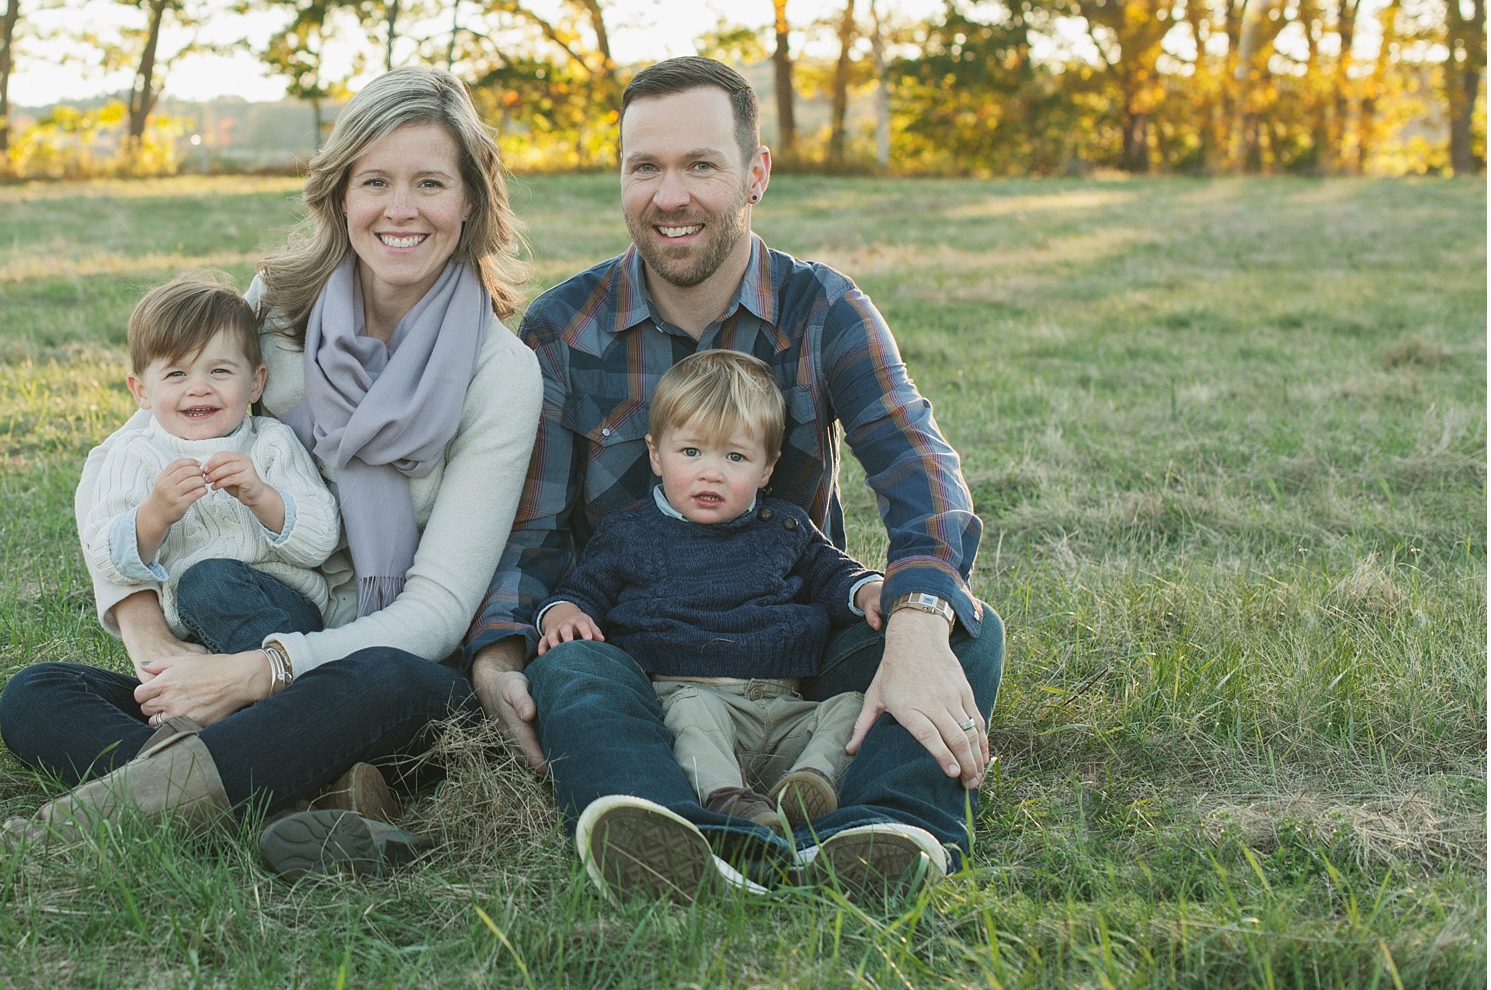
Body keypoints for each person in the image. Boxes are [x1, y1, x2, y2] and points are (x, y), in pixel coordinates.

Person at [0, 67, 542, 892]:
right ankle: (303, 805)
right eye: (376, 181)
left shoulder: (499, 374)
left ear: (471, 200)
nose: (399, 210)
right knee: (37, 694)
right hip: (228, 631)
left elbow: (435, 613)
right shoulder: (280, 308)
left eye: (430, 183)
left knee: (388, 678)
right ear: (340, 194)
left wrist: (261, 672)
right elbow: (134, 450)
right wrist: (152, 640)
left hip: (387, 677)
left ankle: (29, 849)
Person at [468, 56, 1003, 904]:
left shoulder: (821, 309)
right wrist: (498, 655)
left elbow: (918, 465)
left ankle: (879, 833)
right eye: (645, 167)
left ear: (756, 175)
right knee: (567, 669)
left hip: (794, 651)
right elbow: (529, 530)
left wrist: (915, 620)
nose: (668, 195)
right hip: (633, 659)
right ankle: (667, 836)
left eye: (699, 166)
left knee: (963, 627)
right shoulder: (565, 327)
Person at [535, 349, 876, 838]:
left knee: (849, 707)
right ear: (656, 455)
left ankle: (808, 786)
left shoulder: (784, 527)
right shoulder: (630, 533)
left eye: (735, 457)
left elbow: (832, 573)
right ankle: (728, 804)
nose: (710, 472)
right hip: (691, 697)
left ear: (766, 468)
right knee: (693, 715)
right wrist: (563, 610)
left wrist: (867, 590)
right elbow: (583, 586)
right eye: (691, 452)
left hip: (781, 706)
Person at [76, 269, 341, 657]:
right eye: (176, 373)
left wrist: (262, 497)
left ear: (255, 382)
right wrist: (154, 514)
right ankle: (226, 705)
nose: (198, 387)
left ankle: (284, 685)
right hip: (190, 633)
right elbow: (107, 558)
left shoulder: (270, 442)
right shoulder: (134, 454)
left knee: (207, 580)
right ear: (141, 391)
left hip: (281, 611)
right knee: (33, 692)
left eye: (219, 370)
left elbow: (321, 541)